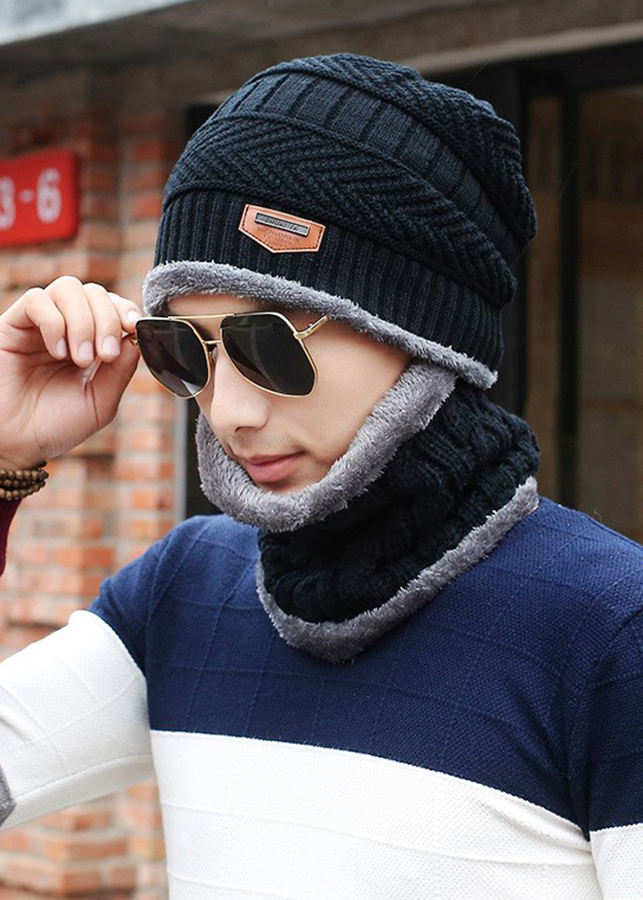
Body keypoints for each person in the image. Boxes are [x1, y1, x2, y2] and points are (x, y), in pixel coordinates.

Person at [0, 51, 641, 899]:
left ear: (421, 335)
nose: (228, 412)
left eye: (267, 342)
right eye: (184, 349)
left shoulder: (608, 629)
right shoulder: (184, 592)